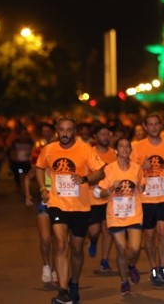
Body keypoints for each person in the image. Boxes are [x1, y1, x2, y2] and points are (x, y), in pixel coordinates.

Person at [35, 116, 105, 304]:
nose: (65, 133)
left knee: (76, 249)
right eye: (62, 129)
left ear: (74, 131)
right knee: (60, 243)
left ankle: (74, 282)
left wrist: (85, 179)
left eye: (69, 130)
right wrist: (43, 188)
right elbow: (39, 168)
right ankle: (63, 290)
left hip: (81, 206)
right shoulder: (49, 149)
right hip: (57, 203)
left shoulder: (85, 149)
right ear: (57, 130)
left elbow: (100, 171)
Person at [130, 113, 164, 285]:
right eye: (149, 124)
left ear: (161, 125)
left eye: (156, 124)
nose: (153, 127)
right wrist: (140, 167)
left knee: (163, 231)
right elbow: (129, 170)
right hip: (145, 199)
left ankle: (162, 266)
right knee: (150, 235)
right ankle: (153, 266)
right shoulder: (137, 147)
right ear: (145, 127)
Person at [94, 137, 144, 295]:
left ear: (130, 150)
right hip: (115, 215)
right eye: (121, 146)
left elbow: (141, 185)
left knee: (135, 249)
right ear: (116, 150)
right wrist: (109, 190)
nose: (124, 149)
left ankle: (131, 266)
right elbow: (98, 193)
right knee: (121, 249)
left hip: (133, 212)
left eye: (127, 147)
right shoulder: (109, 169)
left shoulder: (137, 168)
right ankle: (124, 282)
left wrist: (142, 187)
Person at [24, 121, 57, 283]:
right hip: (44, 203)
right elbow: (28, 177)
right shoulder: (40, 161)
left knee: (59, 239)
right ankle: (46, 265)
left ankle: (57, 268)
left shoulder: (64, 163)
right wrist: (27, 195)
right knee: (45, 239)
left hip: (61, 204)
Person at [86, 124, 118, 273]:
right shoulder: (89, 153)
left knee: (108, 230)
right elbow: (87, 177)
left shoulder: (114, 154)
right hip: (92, 198)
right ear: (95, 137)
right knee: (94, 231)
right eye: (102, 134)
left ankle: (104, 260)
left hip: (109, 198)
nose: (106, 137)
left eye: (107, 134)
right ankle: (93, 241)